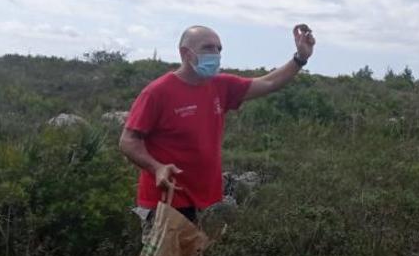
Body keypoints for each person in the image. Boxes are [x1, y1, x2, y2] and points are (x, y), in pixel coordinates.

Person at [119, 24, 316, 224]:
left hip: (207, 201)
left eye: (219, 49)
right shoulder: (157, 92)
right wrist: (156, 167)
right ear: (185, 53)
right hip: (166, 201)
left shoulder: (221, 85)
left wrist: (300, 59)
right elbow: (128, 141)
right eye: (208, 48)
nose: (216, 54)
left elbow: (268, 83)